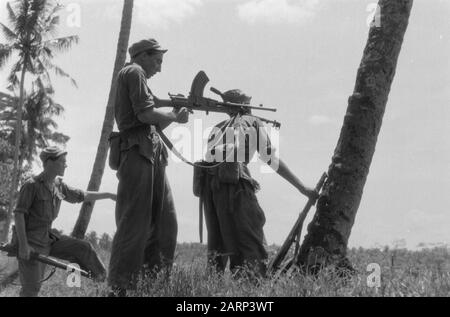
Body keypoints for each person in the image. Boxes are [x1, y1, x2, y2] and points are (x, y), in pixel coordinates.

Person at [200, 89, 318, 279]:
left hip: (212, 192)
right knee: (251, 243)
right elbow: (270, 158)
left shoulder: (217, 127)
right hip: (237, 187)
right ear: (245, 106)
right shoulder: (253, 122)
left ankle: (214, 290)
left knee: (221, 246)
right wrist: (302, 187)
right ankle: (254, 293)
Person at [108, 38, 190, 296]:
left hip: (150, 151)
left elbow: (150, 123)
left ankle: (153, 283)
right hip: (136, 152)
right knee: (134, 221)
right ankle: (119, 286)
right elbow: (144, 115)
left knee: (166, 223)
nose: (159, 68)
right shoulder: (134, 71)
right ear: (142, 56)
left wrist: (173, 115)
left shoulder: (139, 77)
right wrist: (175, 115)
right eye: (157, 60)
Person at [13, 146, 116, 297]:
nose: (65, 165)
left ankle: (107, 285)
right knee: (31, 290)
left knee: (84, 248)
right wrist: (23, 246)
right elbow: (19, 214)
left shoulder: (58, 186)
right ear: (49, 162)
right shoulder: (31, 185)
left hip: (48, 239)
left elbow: (82, 195)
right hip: (31, 243)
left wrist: (108, 195)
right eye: (62, 162)